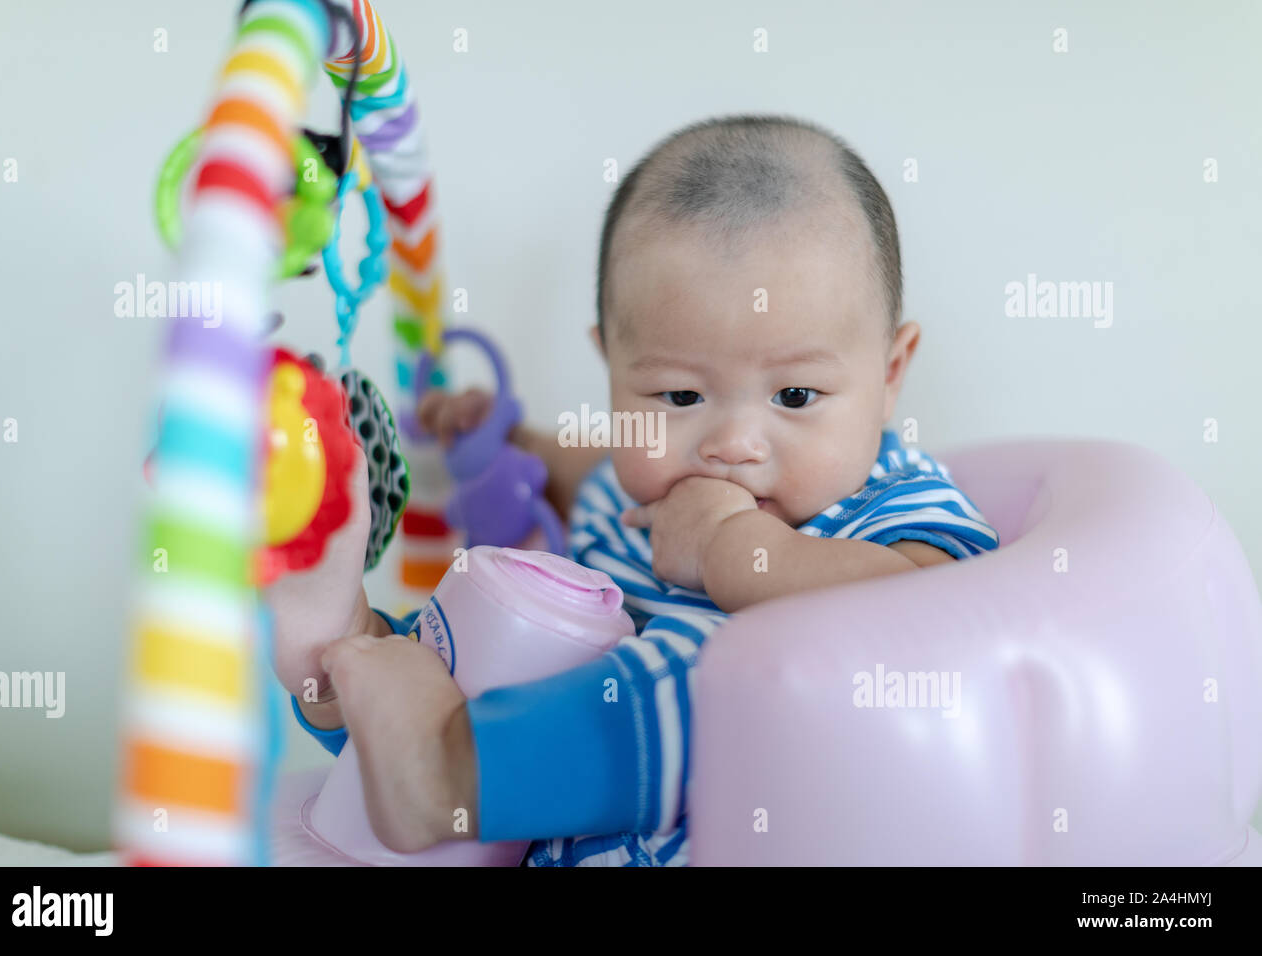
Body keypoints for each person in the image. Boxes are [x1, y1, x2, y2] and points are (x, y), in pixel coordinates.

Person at [268, 114, 999, 866]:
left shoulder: (891, 504)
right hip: (530, 828)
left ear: (889, 373)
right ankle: (340, 652)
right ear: (612, 366)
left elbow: (941, 612)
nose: (733, 447)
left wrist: (734, 549)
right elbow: (578, 466)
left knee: (715, 676)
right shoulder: (631, 488)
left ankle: (447, 766)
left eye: (797, 396)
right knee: (485, 622)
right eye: (681, 398)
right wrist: (503, 444)